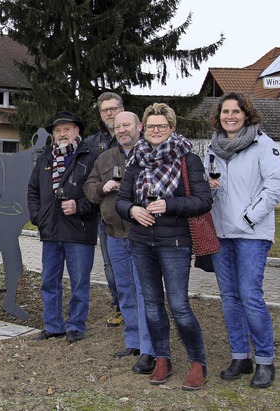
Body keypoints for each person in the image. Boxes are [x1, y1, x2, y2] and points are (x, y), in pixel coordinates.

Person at [116, 103, 211, 390]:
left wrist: (169, 205)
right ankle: (162, 359)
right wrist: (132, 210)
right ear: (144, 128)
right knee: (153, 305)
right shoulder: (136, 160)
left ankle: (198, 363)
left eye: (162, 126)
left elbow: (203, 200)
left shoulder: (188, 159)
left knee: (179, 305)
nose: (156, 130)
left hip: (175, 242)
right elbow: (121, 200)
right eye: (152, 126)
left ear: (171, 128)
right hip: (142, 242)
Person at [205, 92, 280, 389]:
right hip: (221, 234)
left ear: (246, 114)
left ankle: (265, 360)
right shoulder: (213, 148)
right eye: (225, 111)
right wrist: (209, 187)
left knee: (250, 296)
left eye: (236, 111)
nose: (230, 116)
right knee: (229, 298)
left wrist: (251, 216)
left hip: (252, 234)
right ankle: (240, 356)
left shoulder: (262, 144)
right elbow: (211, 189)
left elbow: (277, 185)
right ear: (219, 116)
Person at [84, 111, 155, 374]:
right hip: (115, 234)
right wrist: (103, 188)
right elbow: (89, 190)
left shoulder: (151, 153)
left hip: (143, 234)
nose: (122, 130)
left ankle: (150, 348)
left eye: (127, 125)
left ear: (140, 126)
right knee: (125, 290)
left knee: (144, 291)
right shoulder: (105, 158)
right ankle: (134, 341)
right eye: (117, 126)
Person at [28, 110, 98, 343]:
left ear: (77, 130)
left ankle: (76, 325)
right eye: (57, 130)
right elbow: (33, 190)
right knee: (49, 281)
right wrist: (38, 216)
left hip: (79, 230)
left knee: (79, 282)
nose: (61, 134)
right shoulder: (46, 157)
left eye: (66, 129)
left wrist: (80, 206)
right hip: (51, 230)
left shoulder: (90, 157)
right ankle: (53, 325)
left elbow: (98, 195)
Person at [84, 92, 124, 328]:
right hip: (105, 214)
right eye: (104, 110)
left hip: (133, 213)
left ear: (122, 109)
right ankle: (119, 305)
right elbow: (87, 177)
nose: (109, 113)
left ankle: (139, 304)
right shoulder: (92, 142)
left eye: (113, 108)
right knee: (110, 264)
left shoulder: (132, 136)